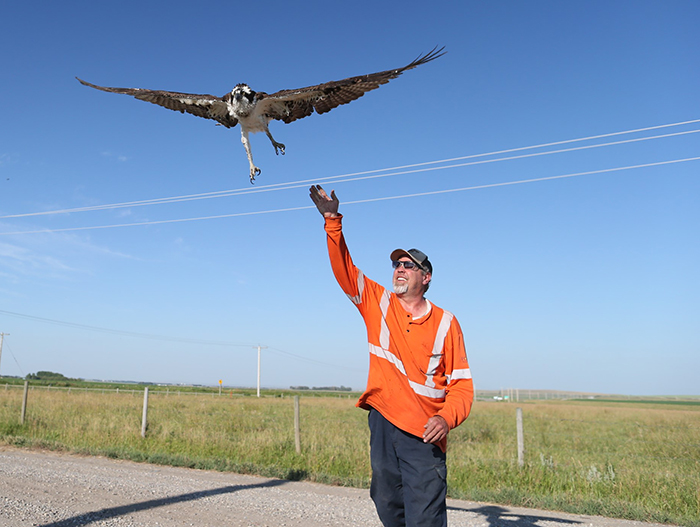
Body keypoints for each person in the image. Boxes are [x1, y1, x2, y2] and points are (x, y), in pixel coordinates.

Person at [309, 185, 474, 527]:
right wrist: (331, 219)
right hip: (383, 421)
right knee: (386, 500)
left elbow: (461, 387)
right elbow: (344, 268)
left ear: (425, 277)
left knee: (425, 513)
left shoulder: (446, 322)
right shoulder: (377, 303)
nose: (399, 269)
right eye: (397, 264)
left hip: (424, 431)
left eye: (408, 266)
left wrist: (445, 420)